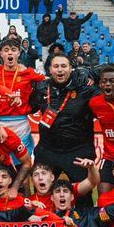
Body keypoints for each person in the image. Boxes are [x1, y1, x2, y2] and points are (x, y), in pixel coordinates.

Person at [31, 54, 99, 202]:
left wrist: (89, 72)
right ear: (49, 69)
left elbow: (109, 83)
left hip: (78, 150)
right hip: (47, 150)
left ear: (71, 68)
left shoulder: (84, 87)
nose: (60, 70)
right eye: (56, 66)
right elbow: (26, 106)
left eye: (64, 66)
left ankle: (82, 225)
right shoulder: (41, 88)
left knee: (83, 198)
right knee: (42, 195)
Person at [0, 38, 43, 155]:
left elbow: (50, 81)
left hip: (21, 123)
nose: (10, 53)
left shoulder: (28, 72)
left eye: (13, 50)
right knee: (2, 160)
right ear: (1, 53)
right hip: (0, 123)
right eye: (6, 50)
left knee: (23, 160)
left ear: (19, 53)